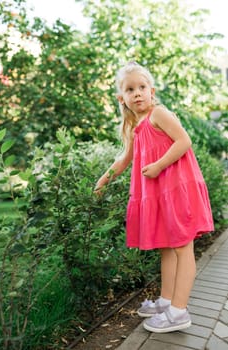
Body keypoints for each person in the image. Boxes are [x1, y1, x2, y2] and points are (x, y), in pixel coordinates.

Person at [95, 61, 214, 333]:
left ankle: (179, 311)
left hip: (177, 189)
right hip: (160, 194)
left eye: (142, 87)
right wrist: (103, 180)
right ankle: (167, 300)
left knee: (183, 247)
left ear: (152, 90)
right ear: (121, 97)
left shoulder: (159, 114)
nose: (137, 93)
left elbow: (184, 141)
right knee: (167, 246)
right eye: (130, 89)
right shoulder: (134, 125)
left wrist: (159, 165)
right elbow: (125, 159)